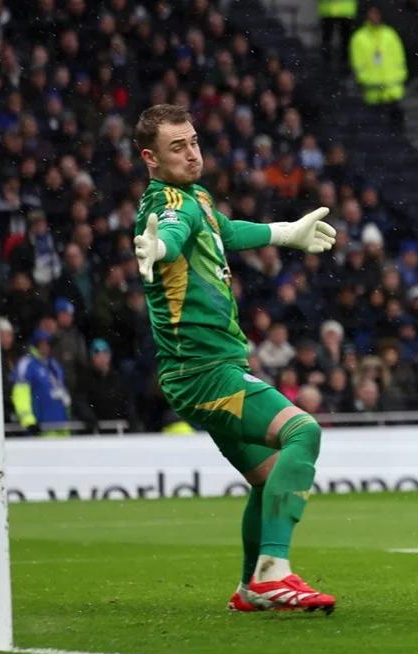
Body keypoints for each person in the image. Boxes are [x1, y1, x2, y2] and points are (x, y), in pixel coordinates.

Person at [130, 104, 339, 612]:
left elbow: (222, 229)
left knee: (267, 475)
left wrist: (284, 233)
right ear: (150, 159)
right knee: (303, 432)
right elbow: (174, 233)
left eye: (194, 141)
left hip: (204, 369)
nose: (192, 153)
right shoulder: (168, 206)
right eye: (176, 147)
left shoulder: (196, 197)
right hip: (204, 372)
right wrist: (157, 251)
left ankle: (250, 587)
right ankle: (274, 573)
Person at [350, 6, 407, 126]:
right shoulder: (359, 37)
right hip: (372, 94)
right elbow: (358, 64)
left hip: (392, 93)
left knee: (395, 131)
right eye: (372, 13)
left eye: (377, 13)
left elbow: (399, 59)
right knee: (376, 131)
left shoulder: (390, 34)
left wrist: (399, 77)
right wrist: (367, 81)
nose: (374, 17)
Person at [12, 328, 71, 436]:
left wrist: (68, 417)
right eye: (42, 343)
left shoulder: (54, 365)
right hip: (41, 429)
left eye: (47, 343)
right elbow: (20, 394)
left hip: (61, 428)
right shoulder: (28, 364)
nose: (45, 346)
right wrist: (28, 420)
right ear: (36, 344)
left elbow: (62, 394)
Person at [318, 0, 357, 66]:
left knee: (345, 42)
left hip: (343, 10)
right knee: (328, 42)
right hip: (330, 10)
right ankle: (328, 65)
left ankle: (344, 65)